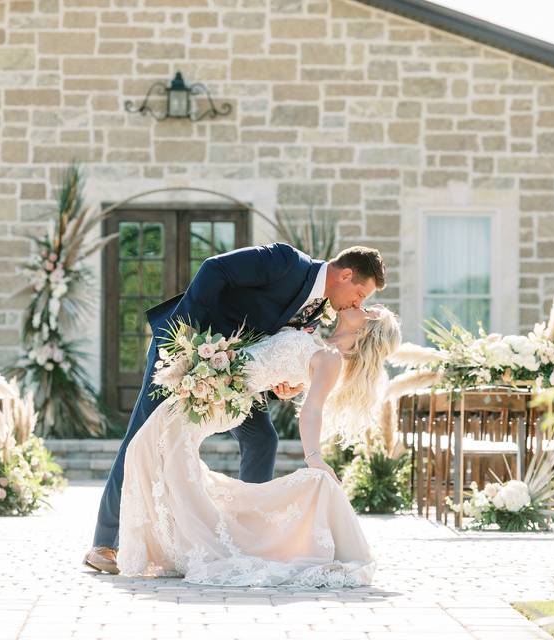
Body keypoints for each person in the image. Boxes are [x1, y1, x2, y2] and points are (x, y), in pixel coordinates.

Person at [84, 243, 386, 574]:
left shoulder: (314, 311)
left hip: (233, 378)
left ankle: (244, 536)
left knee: (262, 440)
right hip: (186, 352)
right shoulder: (285, 262)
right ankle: (104, 542)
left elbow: (273, 350)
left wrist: (278, 388)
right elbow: (215, 268)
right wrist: (189, 341)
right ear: (345, 274)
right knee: (143, 433)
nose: (359, 303)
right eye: (360, 293)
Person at [117, 305, 401, 586]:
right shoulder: (318, 337)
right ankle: (180, 544)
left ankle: (195, 546)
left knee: (151, 447)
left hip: (222, 399)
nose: (359, 304)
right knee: (146, 448)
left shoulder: (332, 359)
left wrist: (313, 456)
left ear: (368, 329)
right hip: (218, 387)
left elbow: (312, 409)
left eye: (369, 310)